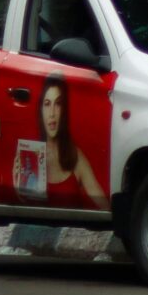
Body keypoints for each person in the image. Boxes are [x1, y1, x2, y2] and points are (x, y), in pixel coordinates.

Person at [35, 78, 108, 209]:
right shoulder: (32, 155)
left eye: (58, 104)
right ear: (40, 110)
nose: (52, 113)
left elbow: (102, 202)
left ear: (64, 110)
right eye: (47, 104)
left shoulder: (74, 156)